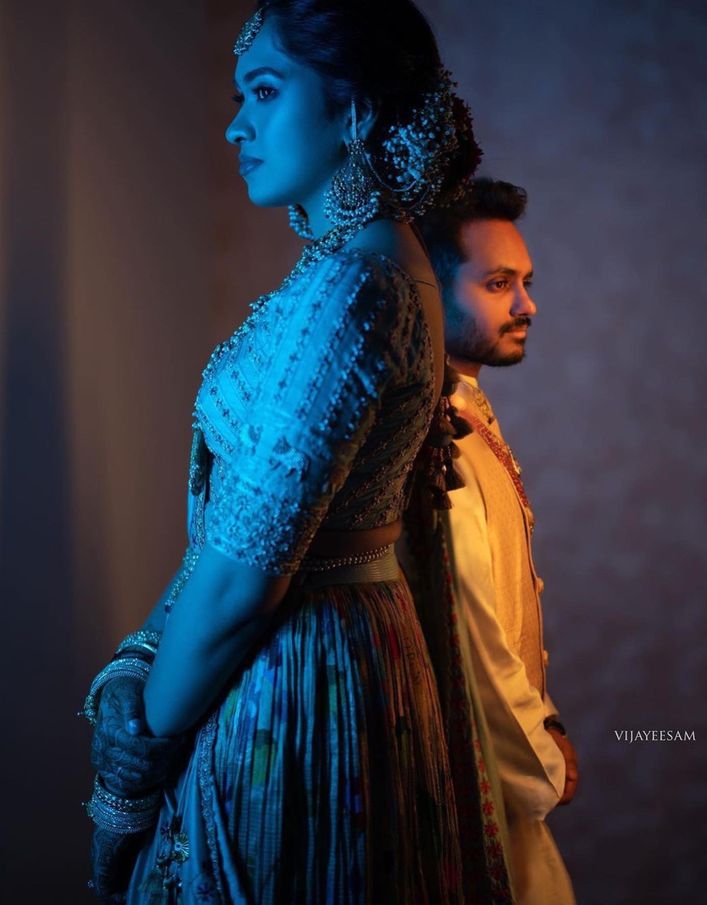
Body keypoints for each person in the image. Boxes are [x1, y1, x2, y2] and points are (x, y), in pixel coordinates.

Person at [81, 2, 490, 903]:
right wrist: (142, 653)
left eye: (265, 92)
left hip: (294, 681)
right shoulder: (371, 268)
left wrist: (125, 787)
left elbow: (239, 584)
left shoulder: (350, 288)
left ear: (354, 111)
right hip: (341, 652)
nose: (237, 124)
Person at [405, 178, 578, 905]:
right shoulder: (432, 432)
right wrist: (542, 760)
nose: (526, 306)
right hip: (473, 771)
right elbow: (474, 623)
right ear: (429, 290)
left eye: (525, 283)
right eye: (498, 283)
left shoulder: (469, 411)